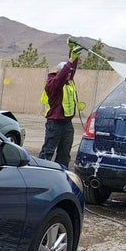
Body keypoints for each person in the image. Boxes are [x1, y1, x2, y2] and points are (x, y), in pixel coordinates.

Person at [38, 38, 86, 167]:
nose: (70, 75)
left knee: (64, 153)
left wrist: (72, 54)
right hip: (55, 123)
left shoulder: (68, 80)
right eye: (67, 72)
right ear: (60, 72)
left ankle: (61, 173)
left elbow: (71, 70)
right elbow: (61, 77)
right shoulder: (53, 83)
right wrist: (70, 61)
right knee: (48, 151)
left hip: (66, 123)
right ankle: (41, 172)